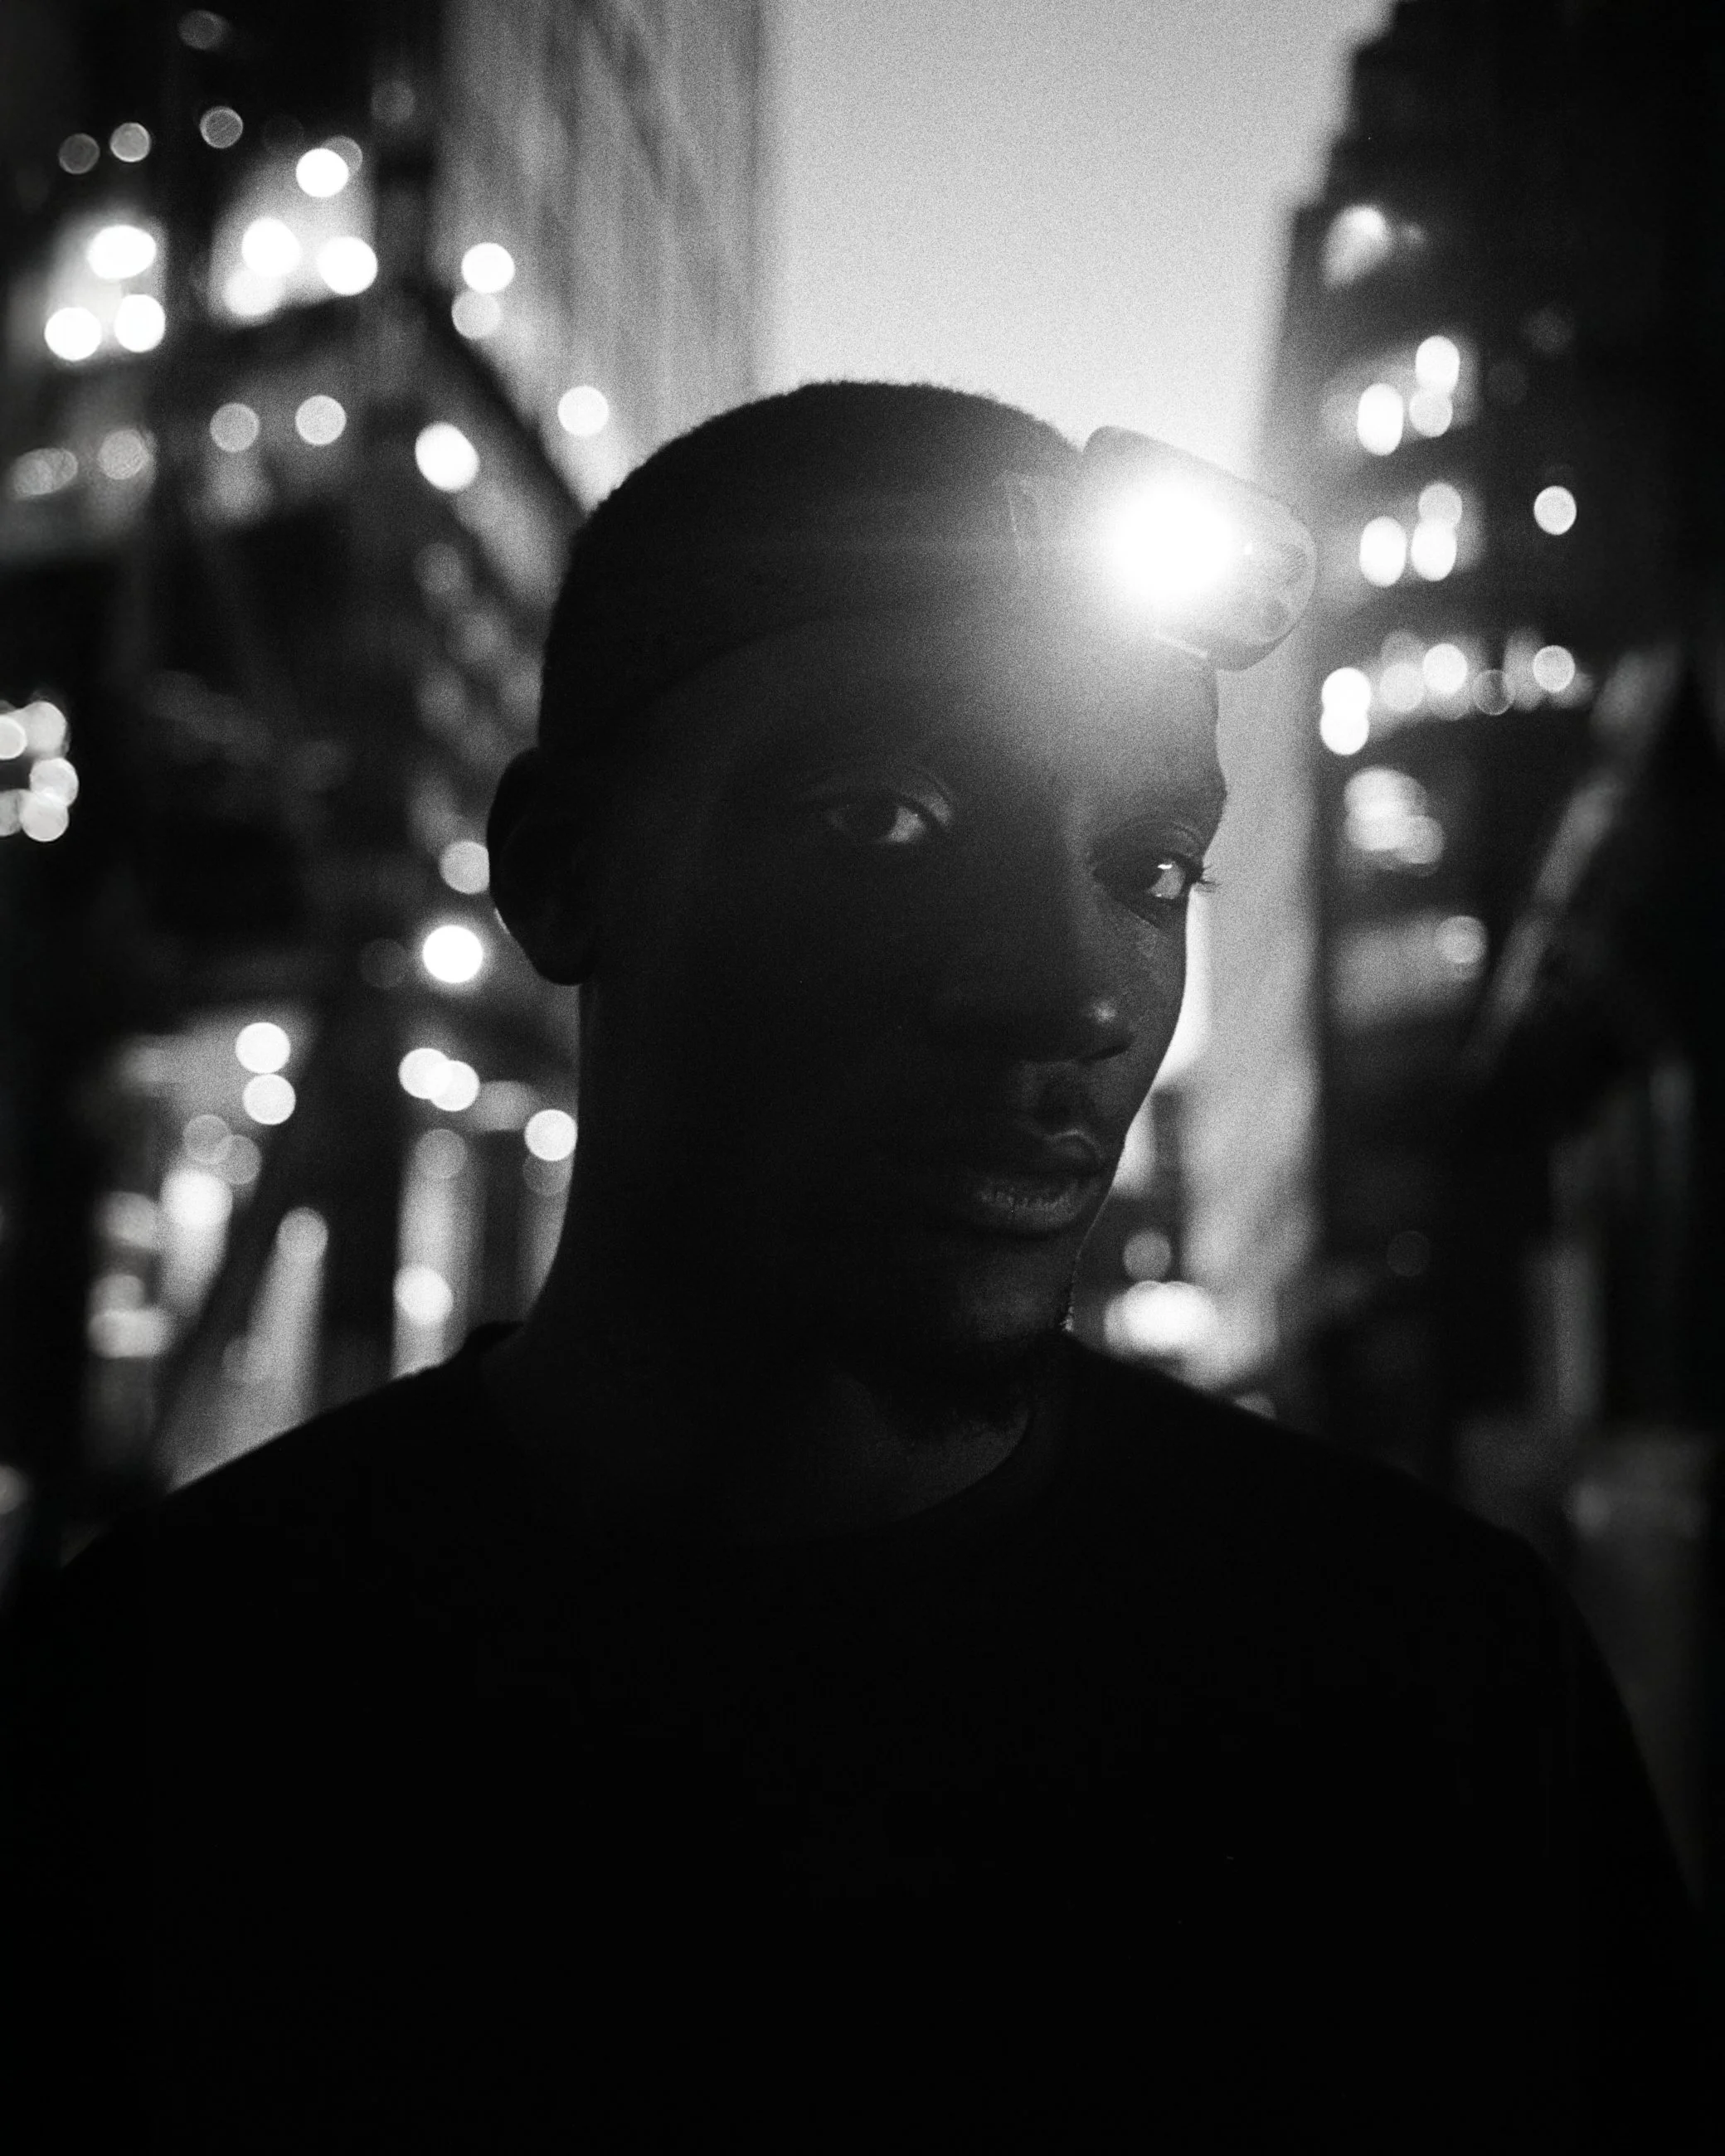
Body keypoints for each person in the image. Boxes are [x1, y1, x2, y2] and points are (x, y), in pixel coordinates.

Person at [15, 384, 1706, 2150]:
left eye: (1150, 867)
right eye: (884, 821)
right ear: (562, 871)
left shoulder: (1432, 1697)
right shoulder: (153, 1726)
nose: (1071, 989)